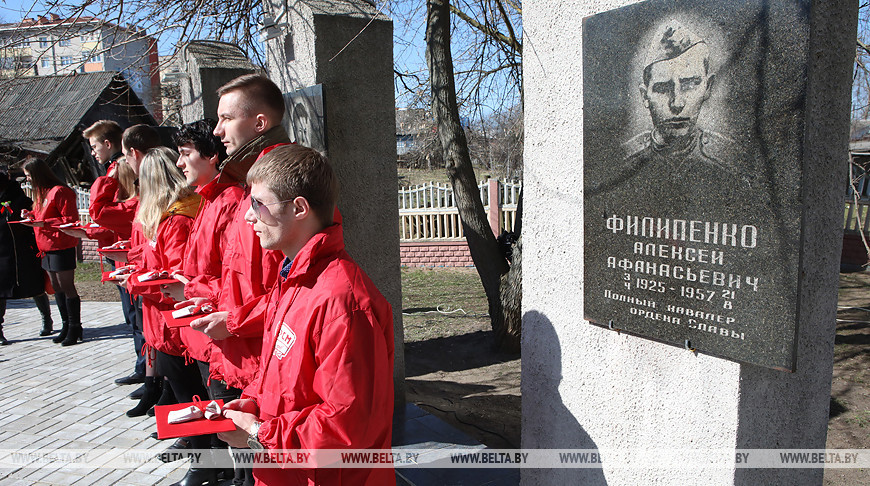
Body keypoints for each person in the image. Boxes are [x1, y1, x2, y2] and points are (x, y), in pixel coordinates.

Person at [219, 145, 395, 486]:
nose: (248, 216)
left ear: (299, 208)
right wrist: (254, 402)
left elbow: (347, 428)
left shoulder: (343, 301)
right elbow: (286, 378)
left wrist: (258, 433)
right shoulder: (293, 280)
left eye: (259, 204)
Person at [170, 76, 290, 486]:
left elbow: (291, 289)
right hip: (239, 344)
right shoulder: (244, 184)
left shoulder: (277, 181)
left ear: (259, 123)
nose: (217, 131)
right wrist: (204, 299)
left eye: (225, 119)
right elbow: (233, 274)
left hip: (260, 352)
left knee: (264, 463)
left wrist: (232, 320)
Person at [122, 147, 202, 422]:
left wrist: (133, 281)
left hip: (174, 321)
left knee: (189, 394)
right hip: (164, 319)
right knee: (181, 389)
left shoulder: (177, 219)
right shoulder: (169, 214)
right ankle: (187, 439)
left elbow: (176, 277)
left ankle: (200, 453)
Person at [83, 120, 146, 387]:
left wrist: (104, 181)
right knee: (133, 317)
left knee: (139, 318)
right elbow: (108, 223)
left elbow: (102, 212)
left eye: (95, 146)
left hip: (133, 257)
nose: (93, 153)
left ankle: (148, 372)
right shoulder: (116, 173)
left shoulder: (116, 172)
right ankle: (143, 367)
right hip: (122, 252)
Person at [20, 158, 81, 346]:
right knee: (56, 287)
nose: (28, 180)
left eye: (29, 176)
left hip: (60, 245)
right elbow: (42, 215)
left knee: (66, 286)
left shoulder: (60, 192)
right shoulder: (42, 193)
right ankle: (65, 325)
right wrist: (29, 215)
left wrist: (44, 223)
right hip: (45, 246)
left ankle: (75, 327)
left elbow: (70, 219)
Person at [0, 168, 53, 344]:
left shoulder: (19, 197)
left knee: (35, 285)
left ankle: (47, 319)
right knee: (1, 291)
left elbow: (33, 213)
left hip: (24, 249)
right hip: (2, 252)